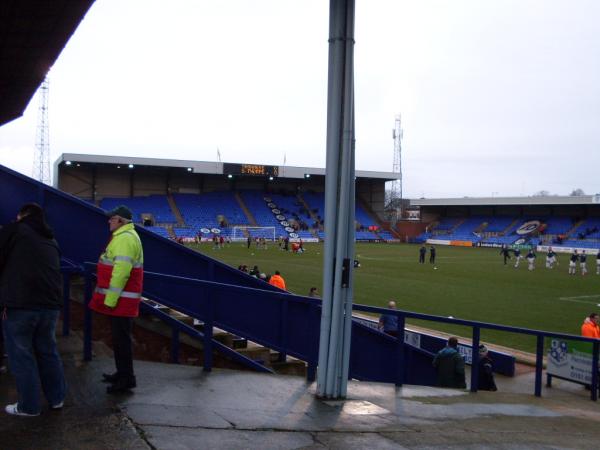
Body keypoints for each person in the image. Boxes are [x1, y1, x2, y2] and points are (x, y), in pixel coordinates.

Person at [0, 203, 66, 416]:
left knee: (21, 355)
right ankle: (57, 398)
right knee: (48, 351)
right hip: (50, 305)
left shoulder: (15, 230)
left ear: (22, 215)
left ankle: (28, 406)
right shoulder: (51, 238)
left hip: (21, 303)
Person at [89, 205, 144, 394]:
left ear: (121, 220)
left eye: (112, 218)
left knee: (122, 340)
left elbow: (121, 273)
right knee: (120, 339)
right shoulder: (124, 237)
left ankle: (127, 379)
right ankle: (122, 374)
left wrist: (110, 300)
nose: (109, 220)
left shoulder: (125, 239)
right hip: (121, 300)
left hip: (121, 301)